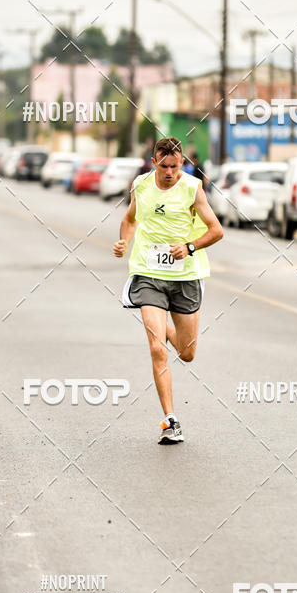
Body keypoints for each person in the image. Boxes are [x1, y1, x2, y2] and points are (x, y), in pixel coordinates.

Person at [113, 136, 223, 444]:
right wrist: (124, 241)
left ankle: (165, 329)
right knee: (157, 348)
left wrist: (189, 247)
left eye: (176, 166)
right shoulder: (141, 185)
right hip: (148, 274)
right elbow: (130, 219)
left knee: (187, 353)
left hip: (184, 276)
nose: (170, 173)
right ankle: (171, 421)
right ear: (153, 164)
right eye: (164, 166)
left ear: (182, 164)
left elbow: (217, 230)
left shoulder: (192, 188)